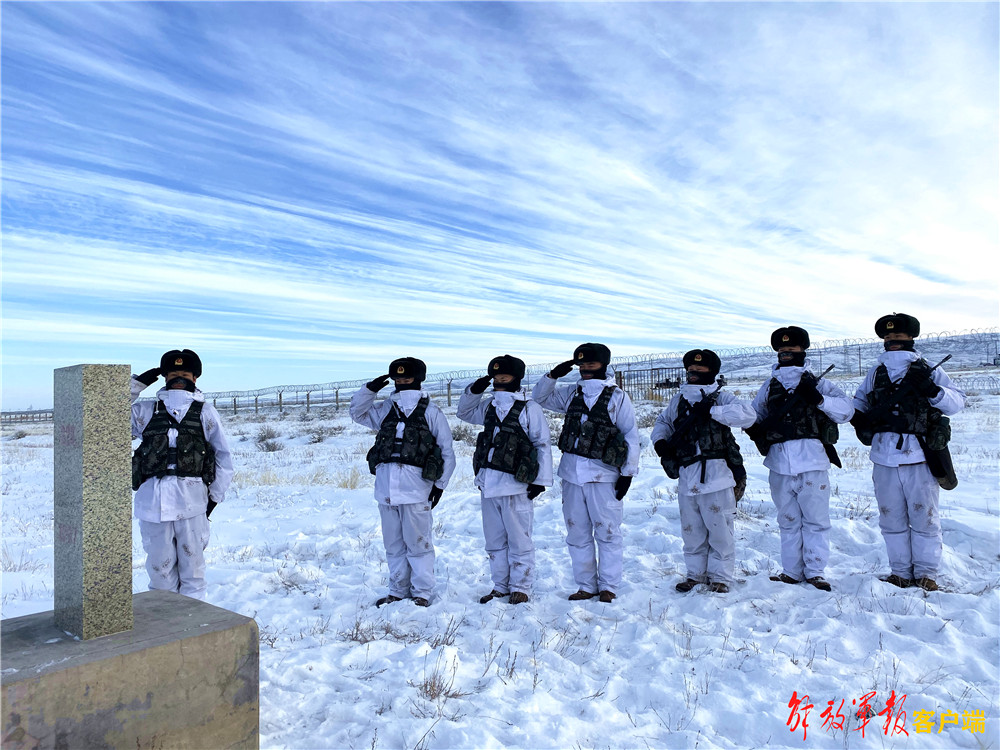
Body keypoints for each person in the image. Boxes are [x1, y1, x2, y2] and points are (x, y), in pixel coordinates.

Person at [850, 313, 965, 592]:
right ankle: (900, 573)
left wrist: (932, 389)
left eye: (898, 337)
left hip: (919, 456)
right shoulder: (876, 372)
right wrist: (856, 418)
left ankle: (926, 574)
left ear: (911, 338)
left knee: (924, 517)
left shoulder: (927, 369)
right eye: (888, 338)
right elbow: (858, 402)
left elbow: (956, 402)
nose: (892, 341)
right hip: (884, 457)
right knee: (891, 518)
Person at [748, 326, 854, 592]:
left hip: (813, 462)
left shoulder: (819, 383)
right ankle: (792, 572)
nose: (786, 354)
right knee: (788, 521)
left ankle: (816, 571)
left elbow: (846, 410)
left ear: (802, 351)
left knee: (816, 521)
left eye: (791, 350)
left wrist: (819, 400)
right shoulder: (769, 386)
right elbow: (753, 416)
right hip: (779, 463)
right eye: (782, 350)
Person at [532, 343, 639, 603]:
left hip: (604, 475)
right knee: (577, 533)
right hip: (571, 475)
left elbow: (631, 436)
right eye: (581, 365)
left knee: (608, 532)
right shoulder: (572, 394)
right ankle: (585, 585)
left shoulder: (617, 397)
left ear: (603, 364)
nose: (585, 369)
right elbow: (540, 398)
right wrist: (552, 376)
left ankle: (609, 585)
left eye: (590, 364)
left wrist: (627, 473)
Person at [351, 357, 455, 607]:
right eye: (397, 379)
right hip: (386, 490)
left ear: (418, 379)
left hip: (416, 490)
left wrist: (439, 485)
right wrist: (370, 390)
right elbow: (357, 412)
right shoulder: (387, 409)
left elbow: (447, 451)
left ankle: (422, 592)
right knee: (394, 546)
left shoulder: (431, 412)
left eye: (407, 378)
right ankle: (397, 590)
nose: (401, 382)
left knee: (419, 545)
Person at [131, 349, 233, 600]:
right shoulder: (145, 411)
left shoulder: (205, 412)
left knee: (193, 573)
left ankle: (193, 626)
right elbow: (101, 416)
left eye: (185, 373)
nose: (179, 378)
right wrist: (136, 385)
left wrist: (213, 499)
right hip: (152, 505)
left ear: (195, 378)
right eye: (173, 373)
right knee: (160, 573)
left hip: (193, 503)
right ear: (164, 377)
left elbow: (224, 456)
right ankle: (165, 627)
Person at [651, 349, 755, 594]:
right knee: (692, 530)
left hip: (717, 476)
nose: (694, 373)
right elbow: (663, 422)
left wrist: (710, 412)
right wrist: (661, 443)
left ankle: (720, 577)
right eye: (691, 370)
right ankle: (695, 574)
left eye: (700, 370)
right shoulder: (679, 400)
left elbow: (748, 415)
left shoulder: (722, 399)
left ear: (712, 373)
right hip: (688, 475)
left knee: (720, 530)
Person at [457, 355, 553, 605]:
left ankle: (521, 586)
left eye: (505, 376)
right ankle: (500, 586)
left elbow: (541, 443)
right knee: (495, 541)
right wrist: (473, 391)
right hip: (488, 482)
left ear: (516, 378)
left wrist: (539, 480)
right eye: (495, 376)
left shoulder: (529, 408)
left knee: (519, 539)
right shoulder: (488, 406)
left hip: (516, 483)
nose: (499, 380)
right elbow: (464, 412)